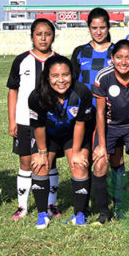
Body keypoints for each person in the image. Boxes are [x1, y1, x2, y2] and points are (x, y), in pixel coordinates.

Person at [26, 56, 95, 229]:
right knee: (40, 165)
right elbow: (39, 127)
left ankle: (79, 214)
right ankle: (43, 214)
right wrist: (42, 153)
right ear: (47, 77)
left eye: (65, 75)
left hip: (73, 135)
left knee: (79, 164)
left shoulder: (82, 92)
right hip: (47, 136)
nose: (61, 80)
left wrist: (77, 152)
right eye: (55, 76)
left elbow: (80, 124)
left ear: (72, 75)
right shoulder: (36, 96)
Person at [90, 40, 129, 225]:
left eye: (128, 58)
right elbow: (100, 113)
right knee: (100, 163)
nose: (123, 62)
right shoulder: (103, 77)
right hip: (109, 125)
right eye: (119, 57)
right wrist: (101, 145)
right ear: (112, 58)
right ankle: (104, 214)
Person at [7, 18, 62, 222]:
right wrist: (12, 120)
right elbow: (13, 91)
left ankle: (50, 204)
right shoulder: (21, 60)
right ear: (32, 36)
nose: (43, 38)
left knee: (49, 160)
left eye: (47, 34)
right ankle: (22, 206)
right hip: (24, 121)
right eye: (39, 34)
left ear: (53, 36)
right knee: (26, 161)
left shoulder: (60, 61)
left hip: (52, 122)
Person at [71, 8, 113, 88]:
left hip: (110, 100)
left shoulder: (116, 51)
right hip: (85, 100)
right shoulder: (80, 51)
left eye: (102, 27)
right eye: (94, 28)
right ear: (88, 28)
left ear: (108, 27)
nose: (98, 32)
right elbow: (73, 80)